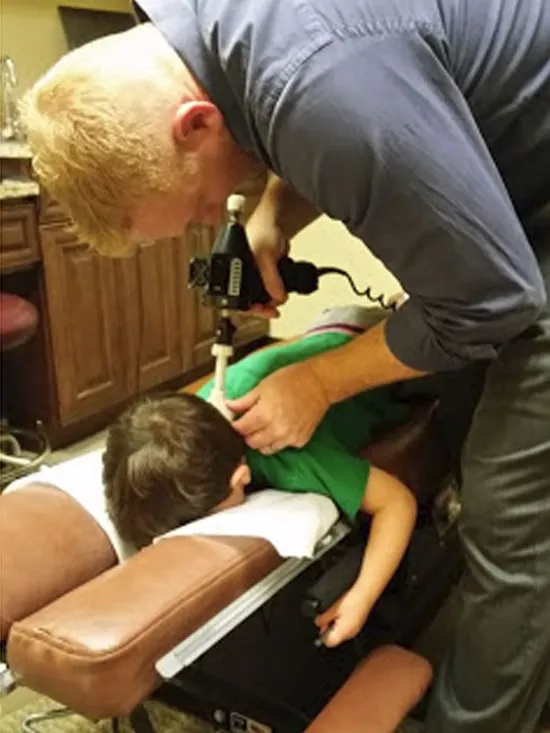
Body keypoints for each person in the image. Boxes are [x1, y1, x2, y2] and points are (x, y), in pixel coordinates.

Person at [20, 2, 549, 731]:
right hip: (507, 196)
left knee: (510, 510)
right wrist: (271, 214)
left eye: (204, 207)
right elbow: (308, 120)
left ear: (195, 125)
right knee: (465, 412)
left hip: (526, 225)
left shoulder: (324, 80)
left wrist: (322, 381)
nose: (216, 218)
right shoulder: (220, 39)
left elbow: (493, 301)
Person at [102, 306, 416, 649]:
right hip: (329, 328)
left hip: (386, 349)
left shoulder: (293, 457)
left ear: (241, 478)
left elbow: (396, 504)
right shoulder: (199, 410)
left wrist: (362, 598)